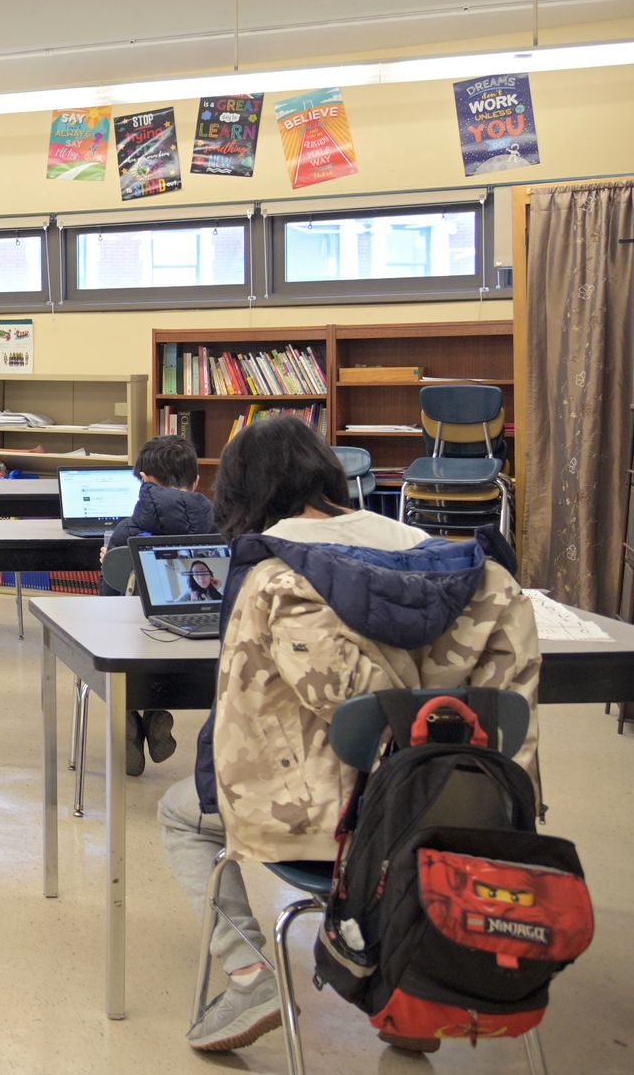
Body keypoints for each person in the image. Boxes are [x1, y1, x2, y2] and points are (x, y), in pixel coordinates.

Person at [163, 416, 539, 1054]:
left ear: (240, 495)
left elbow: (352, 707)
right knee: (411, 809)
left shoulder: (277, 578)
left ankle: (251, 970)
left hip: (338, 826)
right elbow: (507, 711)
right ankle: (408, 982)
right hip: (471, 818)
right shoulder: (483, 576)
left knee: (181, 814)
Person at [102, 434, 217, 775]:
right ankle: (155, 712)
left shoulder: (127, 532)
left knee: (126, 628)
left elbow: (110, 599)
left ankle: (130, 714)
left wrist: (109, 562)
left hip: (131, 654)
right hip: (201, 657)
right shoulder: (220, 527)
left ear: (143, 480)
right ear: (196, 481)